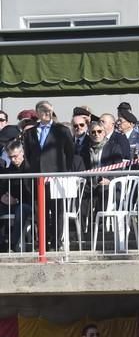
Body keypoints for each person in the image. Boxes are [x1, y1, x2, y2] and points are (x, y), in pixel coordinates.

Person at [23, 100, 75, 248]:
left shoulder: (62, 130)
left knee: (57, 210)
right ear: (37, 113)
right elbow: (27, 156)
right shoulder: (30, 133)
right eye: (43, 110)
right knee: (41, 212)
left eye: (49, 110)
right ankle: (43, 242)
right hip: (37, 179)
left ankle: (57, 241)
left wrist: (65, 172)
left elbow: (70, 153)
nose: (46, 113)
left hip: (57, 178)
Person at [0, 141, 34, 252]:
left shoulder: (31, 168)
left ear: (22, 152)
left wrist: (16, 200)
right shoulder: (9, 170)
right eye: (10, 157)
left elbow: (31, 193)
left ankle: (14, 244)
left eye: (15, 156)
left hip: (28, 204)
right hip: (12, 203)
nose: (13, 160)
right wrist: (2, 197)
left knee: (21, 209)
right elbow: (3, 187)